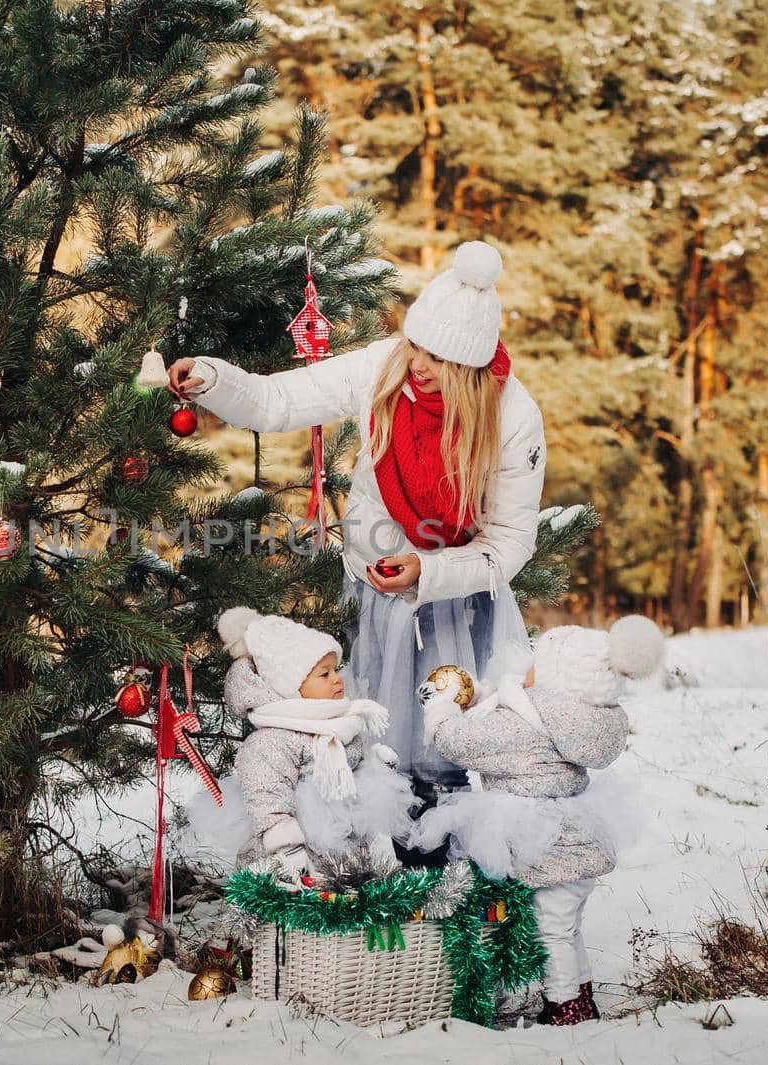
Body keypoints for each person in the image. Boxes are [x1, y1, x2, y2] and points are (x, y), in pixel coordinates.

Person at [168, 240, 546, 863]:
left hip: (458, 601)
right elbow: (277, 400)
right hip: (373, 592)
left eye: (440, 357)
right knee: (370, 740)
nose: (419, 365)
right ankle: (368, 887)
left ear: (473, 366)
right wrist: (214, 379)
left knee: (442, 751)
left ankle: (443, 891)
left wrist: (430, 570)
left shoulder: (512, 417)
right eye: (417, 344)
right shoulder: (384, 367)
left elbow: (510, 543)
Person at [413, 615, 664, 1024]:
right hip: (576, 844)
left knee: (551, 929)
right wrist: (484, 698)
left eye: (537, 662)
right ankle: (581, 996)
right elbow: (511, 720)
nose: (526, 669)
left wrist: (440, 710)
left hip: (545, 847)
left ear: (555, 676)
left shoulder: (528, 723)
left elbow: (465, 743)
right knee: (567, 927)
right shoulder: (575, 717)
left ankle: (565, 1006)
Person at [182, 607, 417, 885]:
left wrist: (374, 767)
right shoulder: (271, 741)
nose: (337, 678)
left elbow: (352, 768)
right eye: (324, 674)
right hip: (295, 859)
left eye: (336, 669)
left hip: (344, 851)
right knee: (306, 907)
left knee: (347, 899)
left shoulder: (339, 725)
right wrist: (287, 848)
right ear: (290, 687)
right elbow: (266, 795)